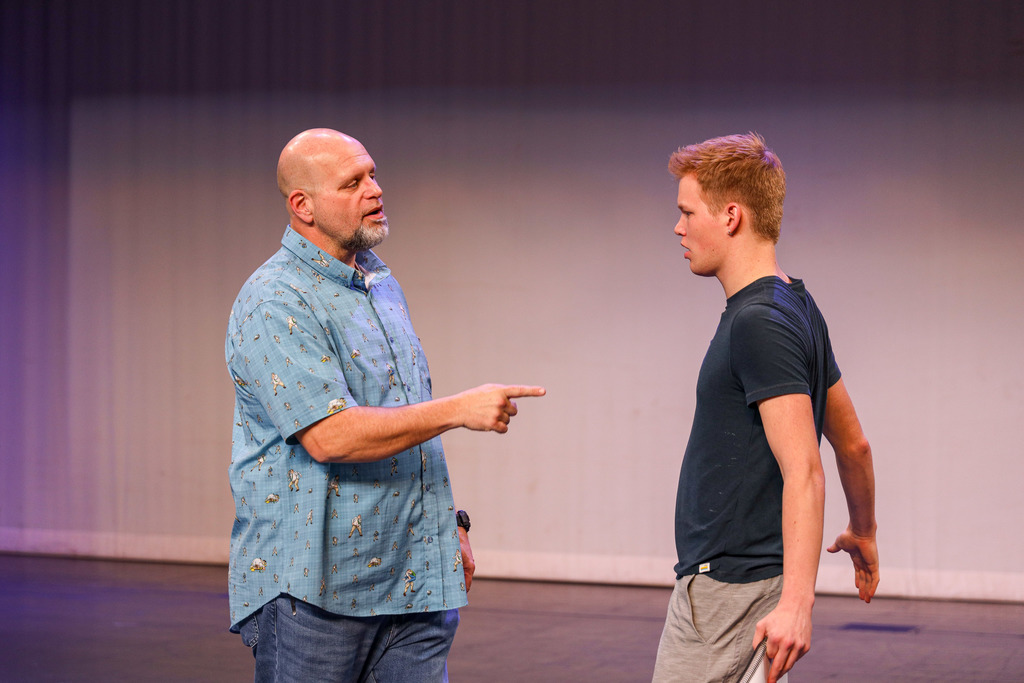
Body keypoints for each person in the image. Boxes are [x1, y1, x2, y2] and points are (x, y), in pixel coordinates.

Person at [225, 128, 545, 682]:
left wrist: (451, 525)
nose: (374, 189)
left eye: (372, 174)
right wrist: (458, 409)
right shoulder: (275, 299)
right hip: (317, 596)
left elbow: (400, 417)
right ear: (302, 205)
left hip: (414, 583)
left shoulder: (379, 284)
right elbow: (331, 436)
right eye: (352, 182)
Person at [651, 133, 878, 683]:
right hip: (744, 585)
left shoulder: (758, 323)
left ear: (731, 216)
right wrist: (863, 530)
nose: (678, 228)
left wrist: (798, 606)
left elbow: (805, 469)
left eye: (686, 212)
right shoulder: (794, 302)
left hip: (728, 592)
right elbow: (852, 442)